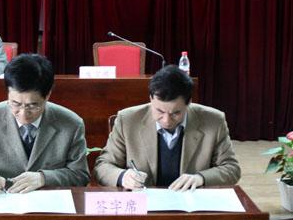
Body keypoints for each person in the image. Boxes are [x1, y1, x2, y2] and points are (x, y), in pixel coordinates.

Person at [0, 53, 90, 193]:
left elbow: (80, 175)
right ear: (7, 93)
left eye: (32, 105)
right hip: (2, 199)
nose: (23, 114)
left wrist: (44, 178)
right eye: (15, 103)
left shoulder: (71, 123)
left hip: (49, 200)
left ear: (47, 95)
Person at [94, 65, 241, 190]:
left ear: (189, 103)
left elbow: (232, 169)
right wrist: (122, 176)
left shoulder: (214, 121)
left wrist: (201, 178)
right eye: (159, 111)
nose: (166, 120)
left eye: (175, 113)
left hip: (191, 203)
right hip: (144, 204)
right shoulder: (128, 120)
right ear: (151, 99)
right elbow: (103, 166)